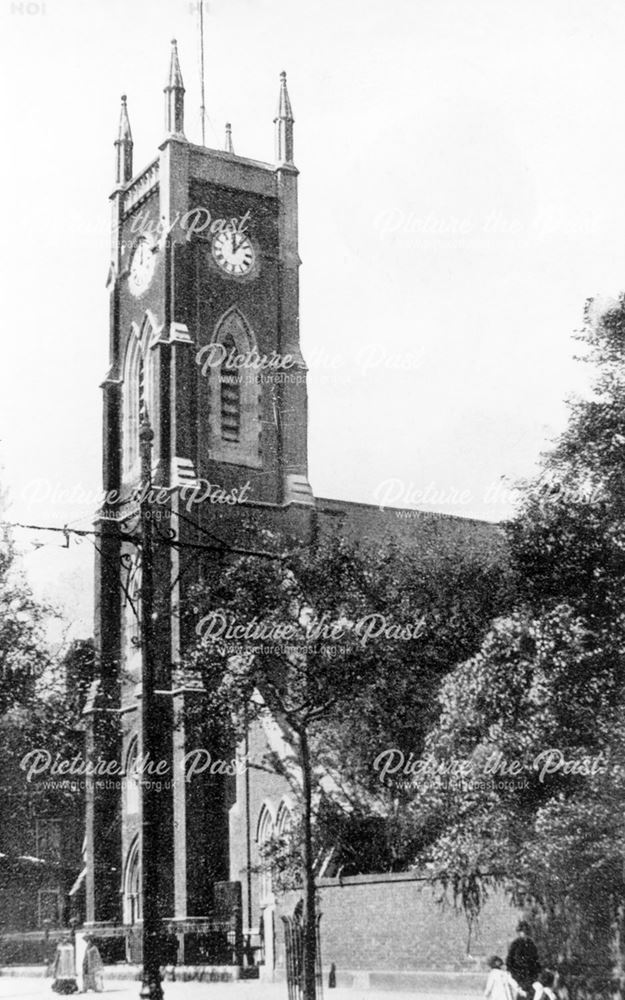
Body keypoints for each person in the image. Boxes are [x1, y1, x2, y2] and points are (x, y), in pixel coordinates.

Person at [507, 921, 541, 997]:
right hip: (519, 973)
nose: (524, 934)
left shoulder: (531, 943)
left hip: (530, 974)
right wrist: (513, 972)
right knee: (522, 993)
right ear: (519, 932)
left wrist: (537, 971)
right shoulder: (515, 944)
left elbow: (536, 959)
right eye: (522, 931)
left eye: (526, 932)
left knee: (530, 993)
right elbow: (510, 960)